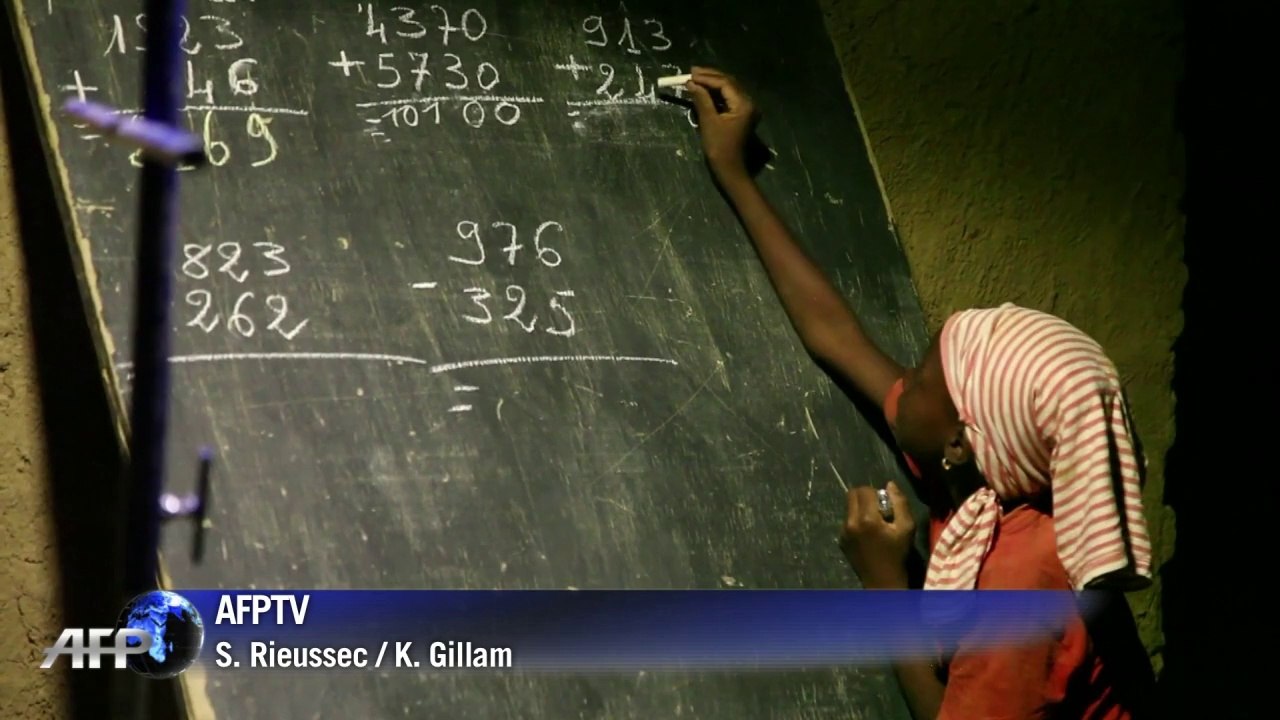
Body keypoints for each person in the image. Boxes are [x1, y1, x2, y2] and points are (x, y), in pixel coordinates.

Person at [683, 67, 1157, 719]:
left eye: (927, 376)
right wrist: (733, 171)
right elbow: (837, 338)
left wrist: (885, 583)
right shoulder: (996, 477)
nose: (907, 377)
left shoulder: (1023, 586)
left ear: (960, 442)